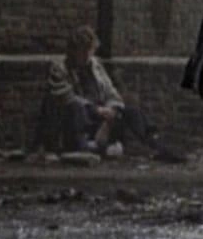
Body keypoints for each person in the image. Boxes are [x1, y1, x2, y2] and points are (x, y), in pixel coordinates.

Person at [45, 24, 184, 162]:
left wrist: (112, 108)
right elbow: (65, 97)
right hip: (80, 117)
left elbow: (111, 91)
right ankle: (83, 149)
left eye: (90, 50)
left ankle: (157, 146)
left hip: (101, 116)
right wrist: (96, 109)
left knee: (132, 112)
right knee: (76, 109)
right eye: (83, 51)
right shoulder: (60, 68)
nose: (87, 55)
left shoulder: (95, 66)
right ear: (74, 51)